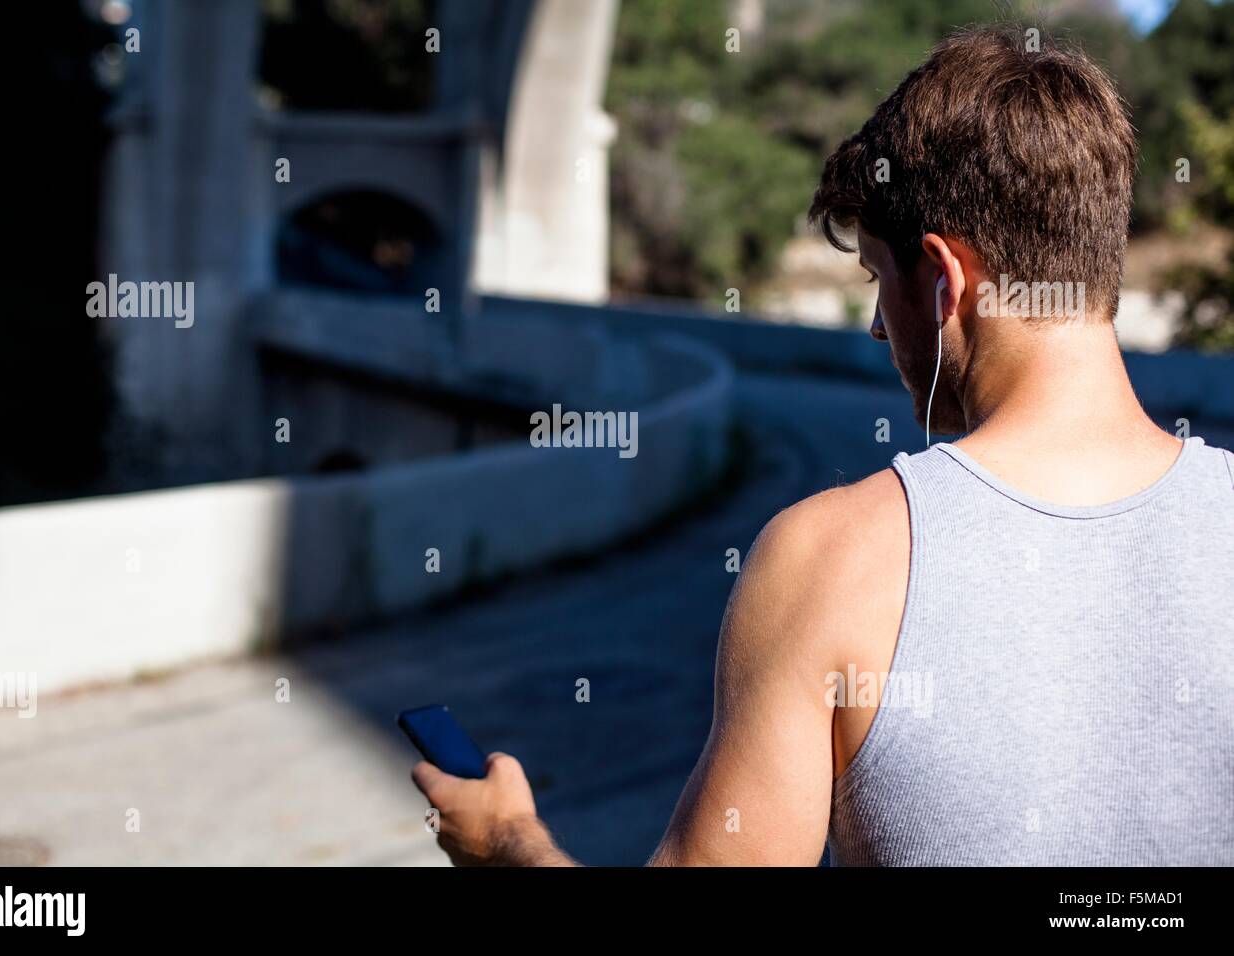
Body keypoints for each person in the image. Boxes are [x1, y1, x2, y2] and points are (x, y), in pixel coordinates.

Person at [410, 25, 1234, 866]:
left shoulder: (829, 561)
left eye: (881, 279)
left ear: (945, 282)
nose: (879, 327)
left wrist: (505, 842)